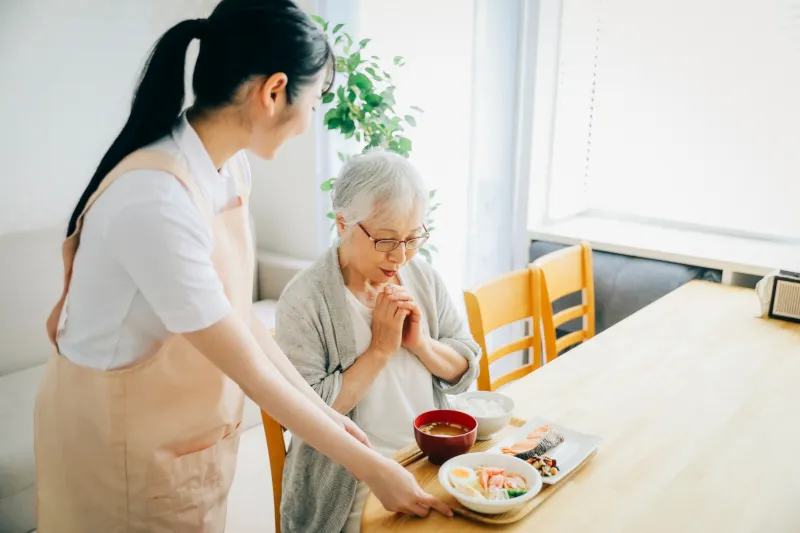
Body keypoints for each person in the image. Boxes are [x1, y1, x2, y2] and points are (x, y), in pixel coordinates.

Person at [32, 1, 451, 531]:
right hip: (118, 445)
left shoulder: (229, 170)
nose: (311, 122)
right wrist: (371, 468)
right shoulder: (154, 200)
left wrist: (332, 421)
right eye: (315, 100)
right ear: (274, 92)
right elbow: (249, 369)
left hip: (184, 438)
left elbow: (240, 319)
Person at [276, 150, 481, 533]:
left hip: (431, 459)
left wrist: (421, 344)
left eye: (412, 238)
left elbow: (466, 366)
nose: (401, 256)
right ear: (343, 223)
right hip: (353, 482)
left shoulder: (423, 278)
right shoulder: (303, 301)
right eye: (386, 240)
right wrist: (380, 350)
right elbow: (305, 415)